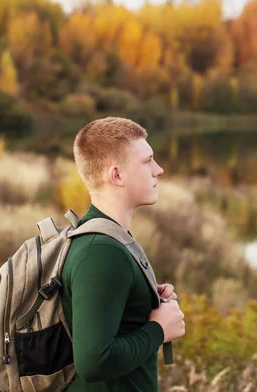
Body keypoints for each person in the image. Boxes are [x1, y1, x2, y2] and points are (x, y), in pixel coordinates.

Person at [60, 117, 185, 391]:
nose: (159, 170)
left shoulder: (109, 239)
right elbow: (94, 362)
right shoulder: (102, 252)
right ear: (117, 175)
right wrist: (159, 330)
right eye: (147, 161)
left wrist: (146, 301)